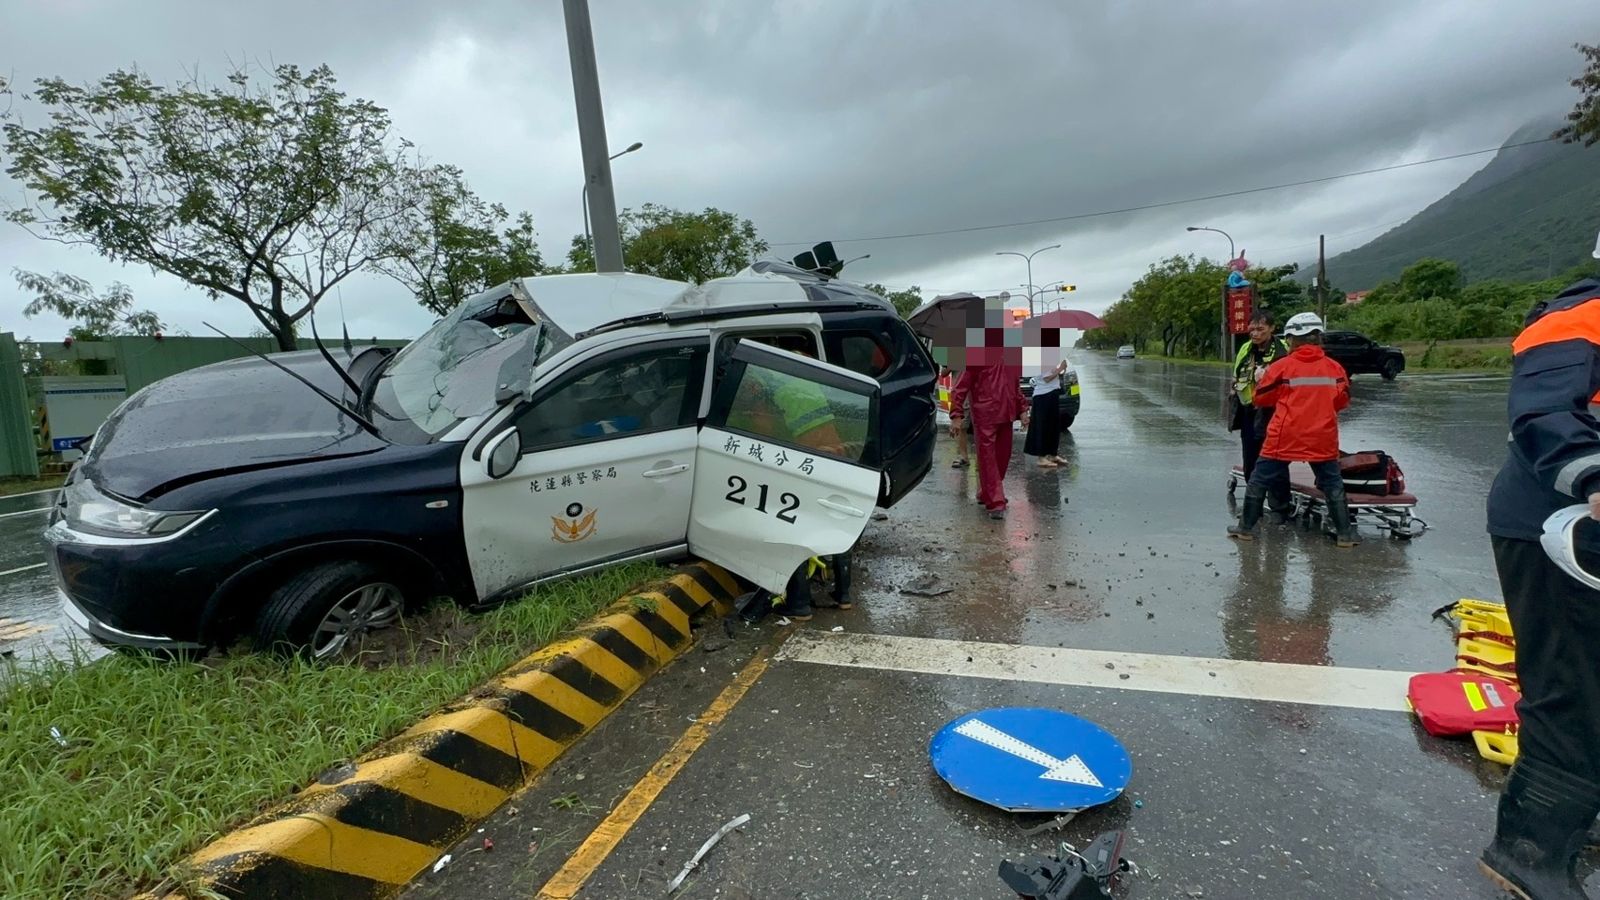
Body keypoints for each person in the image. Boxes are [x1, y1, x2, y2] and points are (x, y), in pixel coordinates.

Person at [1479, 274, 1600, 900]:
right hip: (1556, 527)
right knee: (1573, 693)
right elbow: (1545, 410)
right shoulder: (1579, 317)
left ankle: (1582, 811)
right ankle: (1531, 852)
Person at [1228, 312, 1356, 546]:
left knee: (1259, 478)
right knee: (1332, 482)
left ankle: (1245, 528)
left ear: (1291, 338)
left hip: (1285, 435)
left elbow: (1262, 398)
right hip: (1322, 436)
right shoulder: (1335, 368)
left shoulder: (1282, 367)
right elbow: (1343, 401)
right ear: (1318, 337)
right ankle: (1345, 534)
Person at [949, 347, 1029, 519]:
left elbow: (1015, 386)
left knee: (1002, 457)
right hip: (985, 414)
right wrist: (956, 415)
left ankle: (987, 492)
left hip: (1006, 415)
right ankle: (996, 502)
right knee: (988, 459)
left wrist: (1022, 410)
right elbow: (960, 386)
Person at [1232, 311, 1290, 483]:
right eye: (1251, 330)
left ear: (1272, 328)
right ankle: (1253, 500)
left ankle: (1279, 505)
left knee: (1276, 459)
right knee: (1250, 457)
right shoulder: (1245, 348)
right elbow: (1236, 376)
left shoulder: (1284, 349)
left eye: (1260, 329)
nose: (1255, 334)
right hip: (1249, 410)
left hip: (1275, 411)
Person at [1024, 352, 1068, 468]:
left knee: (1054, 425)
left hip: (1052, 392)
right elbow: (1047, 377)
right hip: (1042, 395)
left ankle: (1052, 454)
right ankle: (1041, 457)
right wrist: (1060, 368)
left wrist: (1061, 365)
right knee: (1041, 427)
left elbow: (1057, 372)